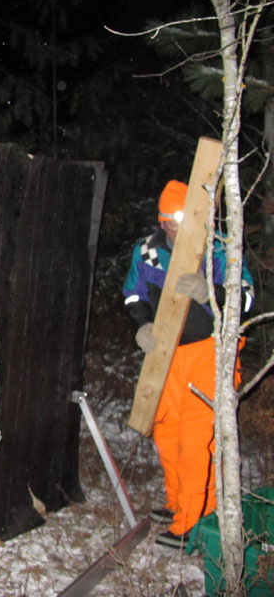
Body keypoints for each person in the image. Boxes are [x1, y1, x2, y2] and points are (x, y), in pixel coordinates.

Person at [122, 180, 254, 549]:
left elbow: (246, 298)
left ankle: (195, 520)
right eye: (165, 222)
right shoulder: (147, 251)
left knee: (197, 438)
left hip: (208, 353)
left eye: (177, 221)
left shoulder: (219, 248)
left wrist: (212, 293)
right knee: (167, 431)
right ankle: (178, 503)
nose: (171, 228)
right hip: (166, 356)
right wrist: (141, 325)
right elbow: (133, 293)